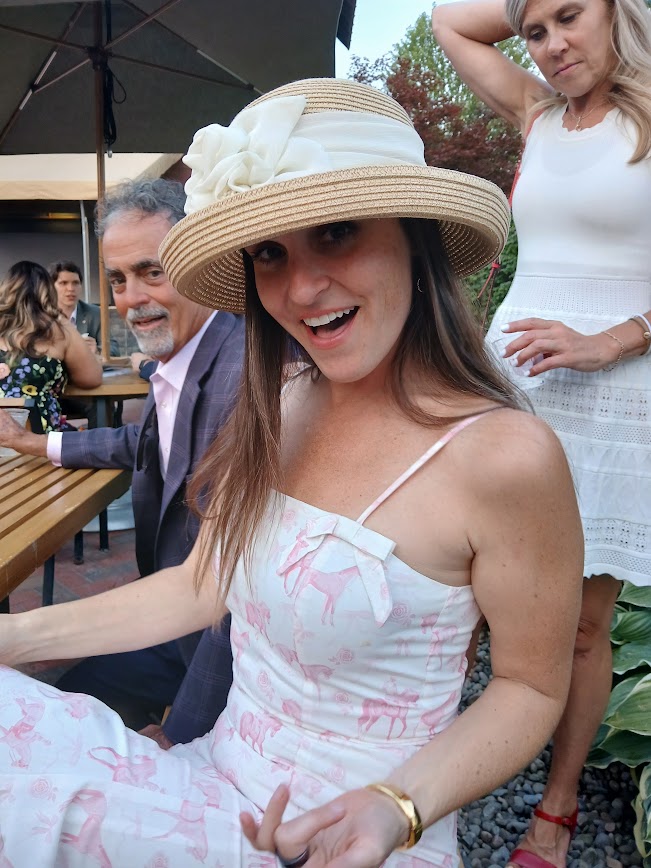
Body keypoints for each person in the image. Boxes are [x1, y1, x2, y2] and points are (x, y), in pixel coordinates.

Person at [0, 78, 583, 867]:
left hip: (358, 838)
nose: (302, 289)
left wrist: (398, 805)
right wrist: (15, 636)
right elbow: (201, 585)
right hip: (213, 782)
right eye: (270, 253)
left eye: (335, 233)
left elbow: (530, 686)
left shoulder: (506, 457)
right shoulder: (280, 400)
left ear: (413, 239)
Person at [431, 0, 651, 864]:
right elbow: (449, 22)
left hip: (617, 398)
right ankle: (421, 780)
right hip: (516, 386)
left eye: (570, 16)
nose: (553, 44)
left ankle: (554, 814)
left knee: (585, 629)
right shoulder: (535, 112)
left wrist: (611, 341)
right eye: (533, 31)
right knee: (460, 597)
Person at [0, 179, 244, 740]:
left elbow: (229, 597)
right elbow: (145, 443)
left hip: (212, 657)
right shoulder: (190, 354)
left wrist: (187, 733)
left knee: (43, 729)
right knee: (55, 704)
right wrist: (37, 444)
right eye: (117, 279)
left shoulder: (243, 377)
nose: (130, 298)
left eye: (151, 272)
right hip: (174, 626)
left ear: (202, 263)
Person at [0, 260, 102, 433]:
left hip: (4, 438)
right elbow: (91, 378)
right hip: (41, 437)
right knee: (87, 439)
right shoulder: (58, 329)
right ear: (48, 291)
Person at [49, 259, 120, 357]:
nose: (71, 289)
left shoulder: (94, 313)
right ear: (51, 287)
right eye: (63, 283)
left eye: (75, 283)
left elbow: (114, 349)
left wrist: (97, 350)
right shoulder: (42, 314)